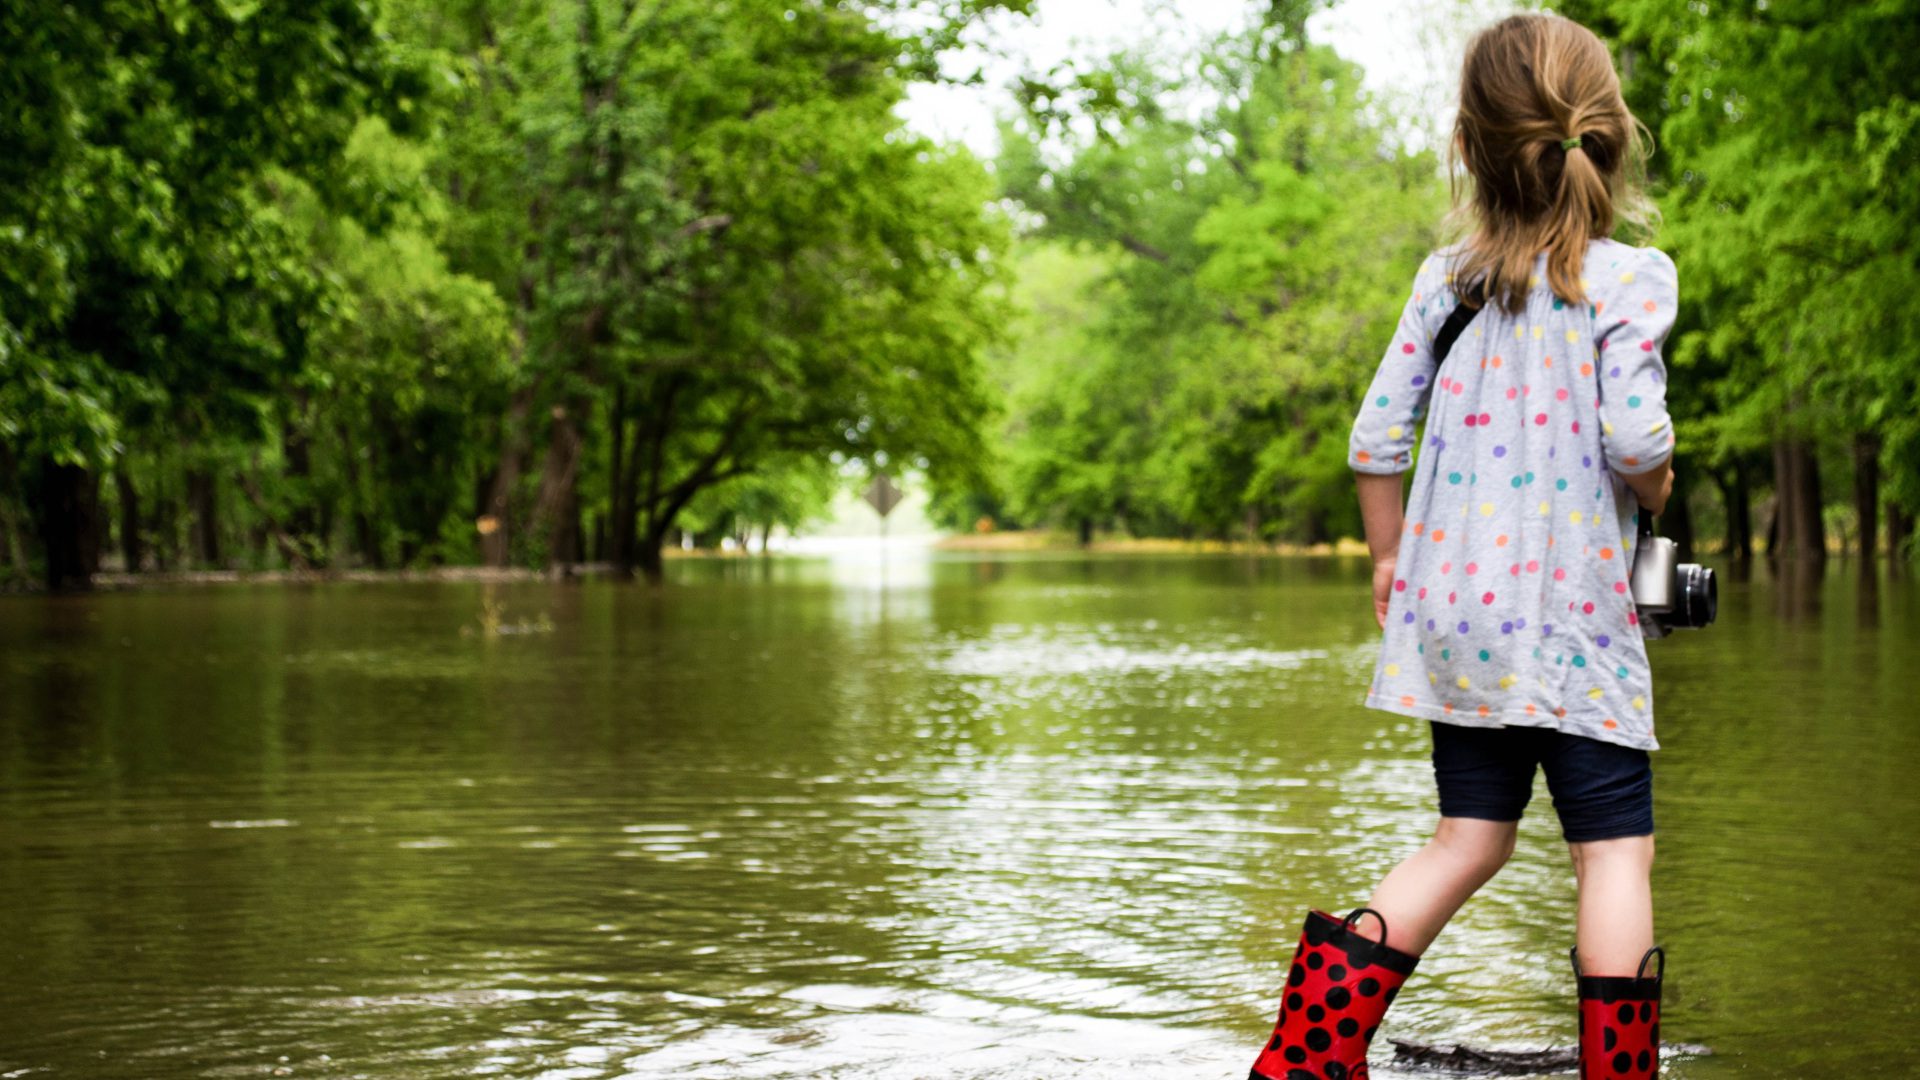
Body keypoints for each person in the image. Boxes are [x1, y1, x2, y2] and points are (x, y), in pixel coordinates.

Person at [1249, 13, 1677, 1080]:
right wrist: (1660, 486)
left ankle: (1308, 1055)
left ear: (1472, 148)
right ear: (1607, 134)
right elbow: (1635, 441)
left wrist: (1391, 562)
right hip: (1579, 627)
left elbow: (1373, 439)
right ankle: (1618, 1074)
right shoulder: (1631, 279)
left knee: (1467, 841)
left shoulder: (1449, 280)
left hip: (1461, 622)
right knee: (1611, 852)